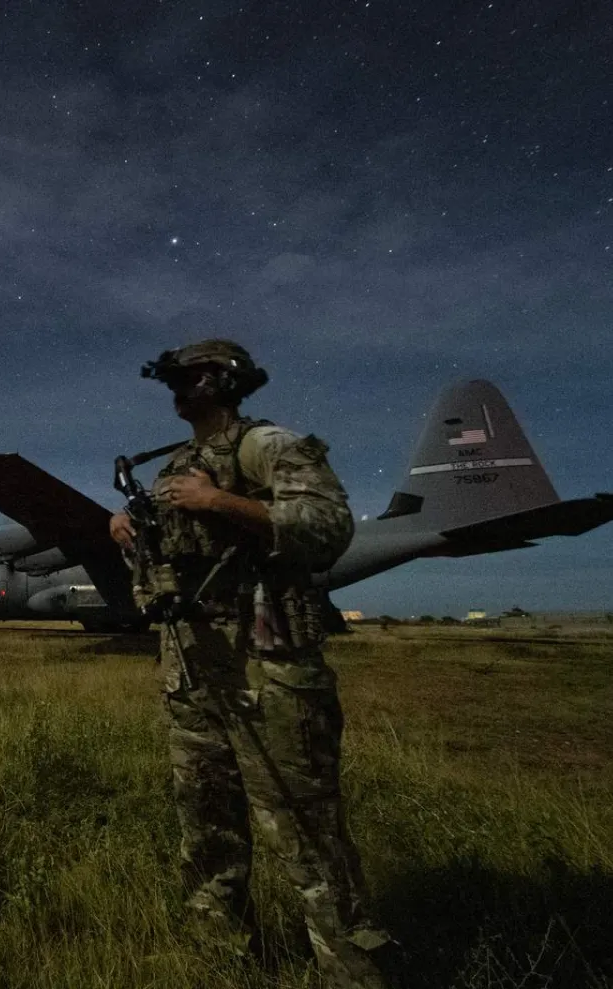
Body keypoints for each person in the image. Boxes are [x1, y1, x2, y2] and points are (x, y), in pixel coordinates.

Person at [108, 338, 394, 989]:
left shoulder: (268, 446)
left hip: (272, 681)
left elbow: (329, 524)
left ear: (225, 381)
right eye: (175, 378)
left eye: (192, 376)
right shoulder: (170, 470)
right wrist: (127, 535)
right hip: (193, 680)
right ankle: (219, 960)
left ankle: (352, 973)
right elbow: (159, 580)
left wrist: (222, 503)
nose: (178, 388)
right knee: (207, 835)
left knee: (309, 839)